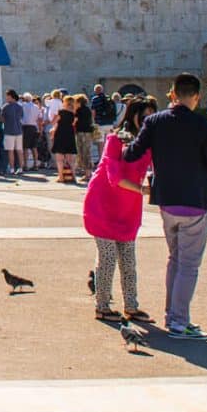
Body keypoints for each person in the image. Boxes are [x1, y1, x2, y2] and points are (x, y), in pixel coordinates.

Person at [124, 73, 207, 340]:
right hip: (195, 199)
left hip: (166, 200)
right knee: (189, 264)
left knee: (175, 258)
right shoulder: (203, 125)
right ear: (197, 96)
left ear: (173, 94)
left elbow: (132, 152)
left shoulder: (155, 121)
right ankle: (179, 322)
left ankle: (173, 316)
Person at [84, 97, 156, 322]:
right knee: (107, 258)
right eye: (144, 116)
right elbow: (114, 178)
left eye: (152, 117)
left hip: (128, 207)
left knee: (128, 260)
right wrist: (142, 189)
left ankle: (131, 306)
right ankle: (102, 306)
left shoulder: (149, 143)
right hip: (102, 205)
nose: (147, 121)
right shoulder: (116, 139)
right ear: (132, 116)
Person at [50, 95, 78, 184]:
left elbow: (53, 122)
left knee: (59, 158)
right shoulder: (74, 114)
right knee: (71, 159)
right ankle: (73, 176)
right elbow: (74, 123)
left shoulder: (61, 112)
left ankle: (61, 177)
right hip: (70, 135)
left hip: (60, 134)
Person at [71, 93, 95, 180]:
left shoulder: (78, 110)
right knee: (87, 152)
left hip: (81, 132)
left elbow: (74, 121)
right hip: (88, 132)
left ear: (79, 102)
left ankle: (88, 174)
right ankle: (87, 172)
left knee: (83, 152)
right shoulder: (88, 109)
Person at [1, 89, 26, 174]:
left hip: (9, 131)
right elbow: (21, 117)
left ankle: (12, 168)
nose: (6, 98)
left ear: (10, 96)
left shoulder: (5, 107)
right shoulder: (20, 107)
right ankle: (21, 168)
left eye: (7, 96)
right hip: (19, 130)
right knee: (19, 150)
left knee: (10, 151)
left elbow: (2, 119)